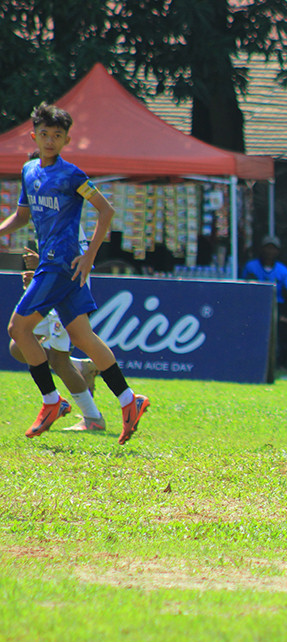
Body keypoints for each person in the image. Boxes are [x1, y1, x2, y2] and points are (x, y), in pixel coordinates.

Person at [1, 102, 148, 443]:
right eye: (44, 135)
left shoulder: (72, 175)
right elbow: (23, 216)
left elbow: (106, 211)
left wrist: (89, 255)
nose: (50, 141)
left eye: (57, 136)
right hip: (57, 263)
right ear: (33, 136)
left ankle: (52, 402)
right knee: (82, 338)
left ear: (67, 139)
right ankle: (130, 400)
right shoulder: (29, 171)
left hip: (60, 262)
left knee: (17, 330)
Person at [10, 247, 105, 431]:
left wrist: (43, 264)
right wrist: (39, 276)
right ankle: (79, 367)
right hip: (51, 290)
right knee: (19, 346)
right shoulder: (47, 220)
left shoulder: (68, 220)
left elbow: (73, 261)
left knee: (59, 360)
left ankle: (93, 419)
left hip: (67, 293)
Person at [241, 235, 287, 366]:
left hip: (276, 305)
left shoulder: (282, 270)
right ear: (262, 249)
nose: (270, 252)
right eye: (267, 248)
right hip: (256, 306)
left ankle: (278, 362)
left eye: (273, 249)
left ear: (278, 251)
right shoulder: (251, 266)